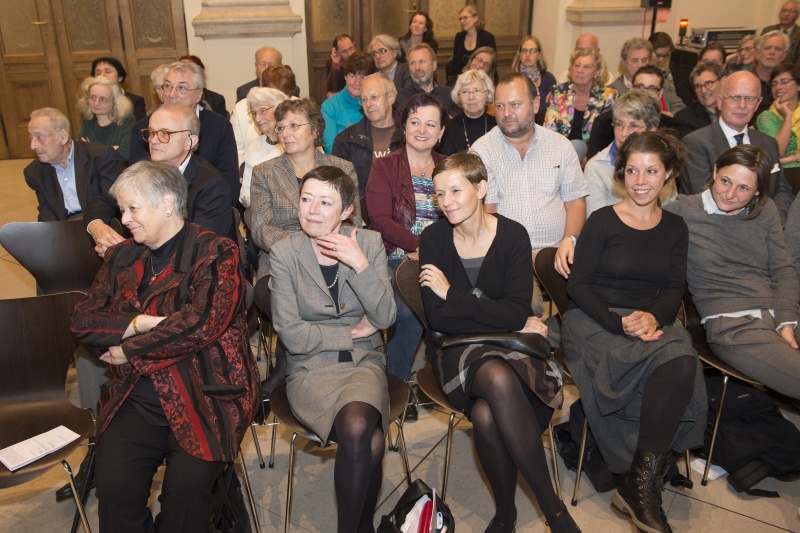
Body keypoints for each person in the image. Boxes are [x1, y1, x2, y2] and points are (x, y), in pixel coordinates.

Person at [71, 160, 260, 533]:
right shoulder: (122, 256)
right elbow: (82, 321)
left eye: (132, 208)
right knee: (114, 491)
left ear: (168, 203)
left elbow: (201, 324)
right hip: (137, 394)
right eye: (122, 209)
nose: (123, 219)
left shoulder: (216, 252)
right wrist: (139, 323)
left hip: (207, 390)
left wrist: (128, 348)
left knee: (185, 499)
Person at [419, 152, 580, 533]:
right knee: (494, 376)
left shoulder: (512, 234)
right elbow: (440, 320)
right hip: (455, 352)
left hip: (512, 346)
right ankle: (553, 510)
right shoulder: (434, 239)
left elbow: (514, 312)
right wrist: (495, 311)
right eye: (439, 194)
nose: (447, 202)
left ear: (481, 187)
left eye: (456, 190)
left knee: (487, 415)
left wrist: (452, 294)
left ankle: (505, 514)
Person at [563, 131, 706, 533]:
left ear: (669, 174)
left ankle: (638, 482)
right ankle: (643, 485)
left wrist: (654, 318)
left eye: (651, 171)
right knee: (651, 359)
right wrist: (618, 322)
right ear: (621, 174)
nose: (641, 180)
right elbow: (578, 287)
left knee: (682, 360)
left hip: (649, 317)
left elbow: (674, 288)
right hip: (594, 320)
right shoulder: (602, 221)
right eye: (633, 170)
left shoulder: (676, 227)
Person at [269, 166, 396, 533]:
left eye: (325, 203)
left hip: (364, 364)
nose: (312, 210)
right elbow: (291, 334)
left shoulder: (368, 244)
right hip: (310, 369)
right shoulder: (285, 253)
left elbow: (385, 317)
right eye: (306, 199)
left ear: (346, 211)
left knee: (359, 427)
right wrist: (352, 333)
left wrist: (359, 262)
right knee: (368, 439)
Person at [665, 145, 800, 400]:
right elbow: (632, 226)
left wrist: (787, 321)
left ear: (758, 190)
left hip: (779, 313)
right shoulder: (683, 210)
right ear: (715, 171)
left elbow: (783, 270)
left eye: (743, 188)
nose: (729, 194)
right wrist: (575, 239)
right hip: (733, 325)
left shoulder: (765, 210)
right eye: (725, 181)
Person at [471, 73, 587, 324]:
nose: (506, 113)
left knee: (588, 300)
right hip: (509, 259)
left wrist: (570, 241)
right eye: (500, 106)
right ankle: (537, 353)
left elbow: (575, 201)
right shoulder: (483, 151)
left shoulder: (560, 146)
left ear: (535, 105)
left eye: (515, 104)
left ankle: (575, 344)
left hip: (558, 253)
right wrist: (525, 257)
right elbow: (487, 218)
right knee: (528, 308)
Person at [365, 93, 448, 416]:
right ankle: (397, 386)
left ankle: (448, 378)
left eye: (431, 123)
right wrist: (417, 245)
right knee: (408, 310)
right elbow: (380, 220)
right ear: (404, 126)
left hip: (444, 258)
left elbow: (465, 216)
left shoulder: (450, 166)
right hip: (396, 258)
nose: (422, 129)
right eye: (415, 122)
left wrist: (435, 252)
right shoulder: (385, 167)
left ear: (441, 132)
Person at [86, 102, 236, 255]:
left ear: (190, 141)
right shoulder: (142, 167)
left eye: (165, 133)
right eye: (151, 132)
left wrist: (124, 253)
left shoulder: (212, 185)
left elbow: (198, 248)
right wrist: (97, 226)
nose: (153, 140)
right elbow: (104, 200)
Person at [248, 98, 360, 282]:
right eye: (281, 127)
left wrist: (324, 248)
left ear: (315, 130)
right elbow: (261, 229)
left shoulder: (343, 169)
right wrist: (304, 249)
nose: (285, 133)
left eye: (294, 125)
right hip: (282, 260)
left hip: (334, 255)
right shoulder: (264, 173)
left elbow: (352, 222)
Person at [681, 70, 793, 221]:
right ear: (720, 102)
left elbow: (783, 192)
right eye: (734, 97)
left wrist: (771, 222)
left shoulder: (768, 144)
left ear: (758, 103)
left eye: (749, 98)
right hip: (716, 232)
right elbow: (704, 198)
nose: (742, 105)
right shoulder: (696, 143)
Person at [129, 61, 239, 207]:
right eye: (167, 86)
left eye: (181, 88)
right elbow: (136, 182)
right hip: (157, 208)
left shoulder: (220, 126)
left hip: (210, 205)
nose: (172, 94)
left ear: (199, 95)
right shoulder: (144, 128)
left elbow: (230, 182)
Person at [584, 91, 676, 217]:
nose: (624, 133)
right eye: (619, 124)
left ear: (652, 128)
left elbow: (671, 214)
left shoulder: (662, 162)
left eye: (634, 125)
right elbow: (595, 224)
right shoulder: (596, 168)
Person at [24, 107, 120, 221]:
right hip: (66, 224)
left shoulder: (101, 156)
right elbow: (47, 210)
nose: (32, 145)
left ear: (63, 136)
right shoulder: (34, 172)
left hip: (100, 219)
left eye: (39, 137)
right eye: (31, 137)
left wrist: (92, 224)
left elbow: (110, 200)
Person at [586, 65, 677, 159]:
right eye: (640, 86)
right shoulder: (605, 122)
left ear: (660, 93)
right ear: (631, 89)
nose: (644, 92)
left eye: (651, 88)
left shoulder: (670, 125)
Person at [332, 73, 402, 195]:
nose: (368, 104)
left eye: (374, 97)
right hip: (363, 211)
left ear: (390, 98)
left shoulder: (408, 136)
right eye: (364, 99)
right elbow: (342, 190)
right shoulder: (346, 140)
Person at [544, 48, 616, 160]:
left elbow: (607, 136)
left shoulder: (608, 96)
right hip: (560, 155)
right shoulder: (558, 92)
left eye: (587, 67)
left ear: (597, 72)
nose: (580, 70)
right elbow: (549, 130)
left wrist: (588, 158)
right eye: (577, 65)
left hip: (593, 157)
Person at [240, 87, 289, 208]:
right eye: (254, 113)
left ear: (280, 109)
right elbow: (245, 194)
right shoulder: (253, 148)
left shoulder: (296, 142)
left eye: (262, 110)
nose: (257, 118)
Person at [756, 63, 800, 193]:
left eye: (784, 82)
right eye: (774, 84)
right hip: (785, 175)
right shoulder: (766, 117)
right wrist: (788, 117)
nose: (778, 87)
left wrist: (789, 158)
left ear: (798, 85)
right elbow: (777, 152)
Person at [322, 51, 376, 154]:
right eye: (352, 76)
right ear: (345, 76)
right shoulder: (330, 106)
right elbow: (330, 149)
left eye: (363, 77)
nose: (357, 83)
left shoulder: (377, 104)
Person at [77, 76, 135, 163]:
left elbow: (126, 153)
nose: (96, 103)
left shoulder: (126, 120)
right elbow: (81, 153)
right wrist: (113, 148)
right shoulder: (87, 120)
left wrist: (93, 149)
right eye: (93, 97)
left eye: (103, 99)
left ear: (114, 101)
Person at [439, 69, 496, 155]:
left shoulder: (497, 126)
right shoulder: (448, 129)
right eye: (465, 92)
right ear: (459, 96)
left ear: (487, 94)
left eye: (477, 90)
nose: (471, 97)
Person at [394, 44, 457, 119]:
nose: (417, 67)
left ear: (434, 65)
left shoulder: (450, 94)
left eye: (422, 61)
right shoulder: (402, 96)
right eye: (412, 63)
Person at [511, 35, 556, 125]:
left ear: (539, 55)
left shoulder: (548, 78)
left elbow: (553, 108)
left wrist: (525, 106)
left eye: (533, 51)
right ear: (519, 54)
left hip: (545, 126)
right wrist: (542, 106)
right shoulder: (512, 80)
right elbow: (512, 108)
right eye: (524, 51)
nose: (528, 54)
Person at [447, 5, 496, 85]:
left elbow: (491, 65)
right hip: (462, 80)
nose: (462, 21)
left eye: (465, 17)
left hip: (482, 80)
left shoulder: (487, 37)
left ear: (475, 18)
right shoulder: (459, 37)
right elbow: (456, 64)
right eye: (460, 19)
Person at [673, 62, 724, 138]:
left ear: (723, 81)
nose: (703, 91)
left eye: (708, 83)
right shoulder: (685, 119)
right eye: (698, 86)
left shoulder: (739, 109)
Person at [675, 42, 727, 107]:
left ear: (724, 66)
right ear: (698, 63)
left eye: (714, 63)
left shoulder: (732, 92)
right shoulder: (684, 88)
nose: (709, 66)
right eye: (705, 62)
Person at [753, 31, 790, 120]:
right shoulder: (744, 81)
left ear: (784, 56)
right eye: (767, 48)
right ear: (757, 54)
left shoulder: (790, 85)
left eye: (778, 49)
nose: (772, 52)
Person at [646, 32, 685, 114]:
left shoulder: (665, 74)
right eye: (658, 55)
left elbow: (678, 104)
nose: (661, 60)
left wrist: (671, 114)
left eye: (665, 56)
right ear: (648, 50)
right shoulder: (636, 76)